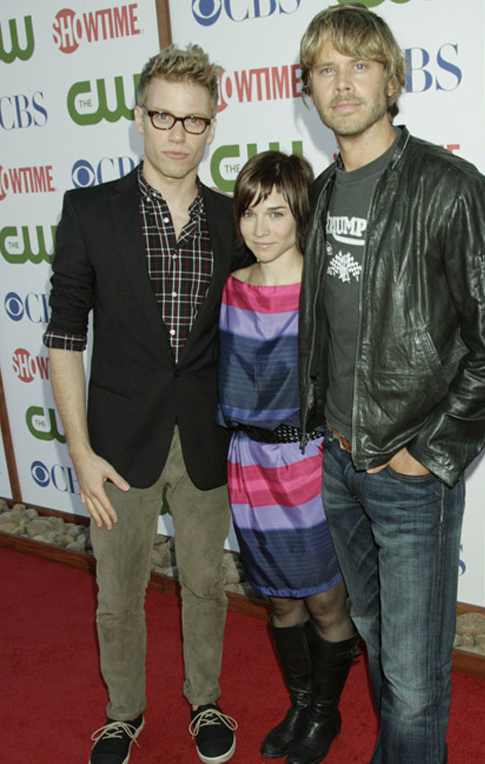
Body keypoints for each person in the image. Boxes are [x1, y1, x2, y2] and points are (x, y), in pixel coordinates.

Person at [297, 4, 485, 764]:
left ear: (391, 78)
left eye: (360, 63)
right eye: (325, 68)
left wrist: (427, 453)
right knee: (378, 639)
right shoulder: (323, 192)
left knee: (416, 675)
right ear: (309, 89)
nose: (343, 82)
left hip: (407, 472)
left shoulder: (451, 189)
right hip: (338, 463)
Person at [43, 44, 242, 764]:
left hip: (206, 438)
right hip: (117, 443)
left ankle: (206, 699)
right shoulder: (89, 211)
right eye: (163, 116)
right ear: (138, 119)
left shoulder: (235, 221)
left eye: (193, 120)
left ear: (212, 126)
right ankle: (123, 712)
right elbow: (64, 334)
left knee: (203, 584)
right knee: (117, 591)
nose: (177, 133)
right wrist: (79, 451)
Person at [216, 150, 358, 764]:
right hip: (249, 467)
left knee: (326, 600)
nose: (262, 228)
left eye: (277, 213)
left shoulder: (323, 291)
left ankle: (325, 715)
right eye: (250, 212)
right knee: (277, 599)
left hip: (309, 464)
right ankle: (300, 704)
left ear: (302, 216)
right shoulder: (232, 287)